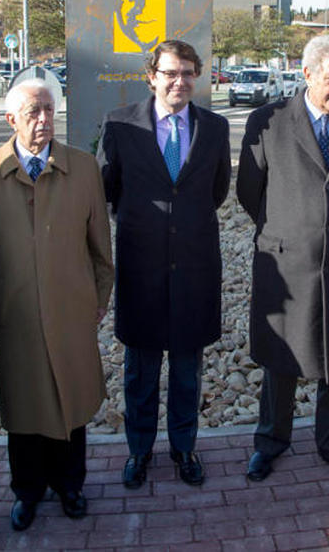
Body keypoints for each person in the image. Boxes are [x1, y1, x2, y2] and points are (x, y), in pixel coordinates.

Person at [236, 34, 329, 487]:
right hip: (284, 263)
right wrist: (291, 229)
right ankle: (270, 442)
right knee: (280, 358)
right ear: (306, 75)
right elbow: (250, 191)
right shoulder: (269, 121)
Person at [0, 81, 113, 532]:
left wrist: (96, 300)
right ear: (11, 120)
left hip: (72, 309)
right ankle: (27, 491)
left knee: (71, 400)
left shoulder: (84, 168)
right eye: (32, 112)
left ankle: (71, 485)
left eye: (49, 110)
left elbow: (101, 251)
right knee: (24, 405)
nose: (43, 120)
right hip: (16, 314)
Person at [97, 40, 231, 489]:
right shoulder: (119, 126)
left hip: (195, 266)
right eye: (171, 73)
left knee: (189, 371)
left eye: (189, 73)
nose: (181, 82)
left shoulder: (213, 127)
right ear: (151, 76)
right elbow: (108, 190)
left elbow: (216, 191)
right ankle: (138, 451)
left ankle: (183, 448)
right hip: (142, 267)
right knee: (141, 371)